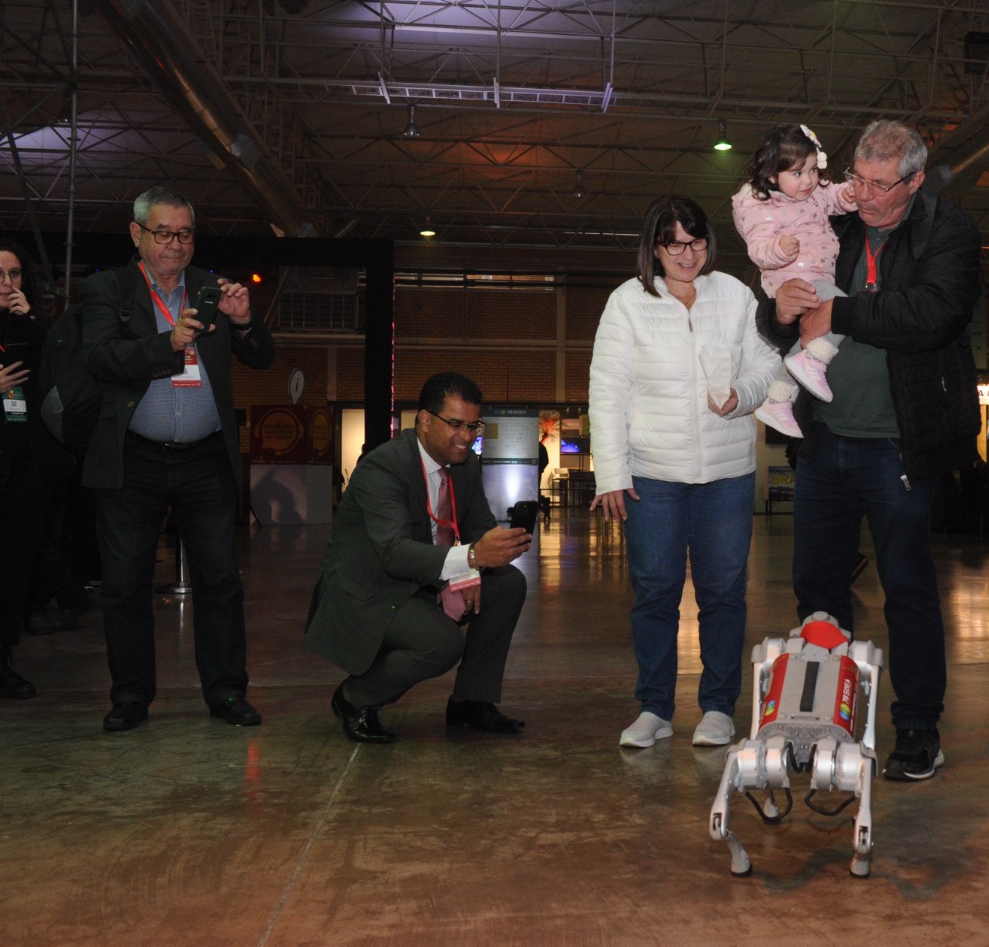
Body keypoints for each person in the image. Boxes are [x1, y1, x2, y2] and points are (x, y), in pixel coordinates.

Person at [755, 119, 982, 781]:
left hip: (900, 445)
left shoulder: (948, 230)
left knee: (907, 588)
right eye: (857, 179)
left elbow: (933, 313)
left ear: (915, 180)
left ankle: (917, 727)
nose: (867, 196)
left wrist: (841, 312)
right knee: (817, 589)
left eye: (883, 186)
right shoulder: (839, 219)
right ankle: (822, 715)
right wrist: (783, 306)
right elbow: (779, 313)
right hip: (825, 441)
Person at [589, 194, 781, 749]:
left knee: (723, 592)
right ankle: (654, 707)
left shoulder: (736, 295)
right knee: (654, 593)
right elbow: (608, 390)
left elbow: (767, 362)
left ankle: (719, 707)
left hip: (727, 472)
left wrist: (743, 395)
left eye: (697, 243)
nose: (688, 255)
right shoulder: (627, 303)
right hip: (652, 476)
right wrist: (612, 475)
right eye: (675, 244)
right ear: (655, 247)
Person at [82, 187, 276, 732]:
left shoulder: (212, 288)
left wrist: (241, 321)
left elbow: (263, 357)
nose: (175, 244)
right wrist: (167, 343)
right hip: (133, 459)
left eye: (185, 233)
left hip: (206, 459)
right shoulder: (108, 288)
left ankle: (226, 693)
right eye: (163, 232)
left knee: (221, 580)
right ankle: (130, 696)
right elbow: (100, 357)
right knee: (124, 583)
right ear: (137, 234)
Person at [306, 372, 533, 743]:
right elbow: (394, 553)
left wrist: (480, 561)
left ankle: (470, 701)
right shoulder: (384, 467)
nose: (466, 436)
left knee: (508, 584)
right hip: (372, 589)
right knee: (441, 643)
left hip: (422, 578)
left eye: (473, 425)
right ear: (424, 420)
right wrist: (473, 558)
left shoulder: (466, 465)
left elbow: (477, 526)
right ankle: (354, 698)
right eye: (456, 424)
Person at [731, 123, 855, 437]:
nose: (808, 181)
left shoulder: (816, 193)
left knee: (829, 321)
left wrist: (850, 194)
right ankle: (815, 358)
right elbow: (758, 250)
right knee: (844, 311)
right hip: (794, 278)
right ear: (772, 176)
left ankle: (777, 399)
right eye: (797, 174)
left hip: (818, 273)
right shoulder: (762, 207)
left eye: (813, 170)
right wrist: (778, 249)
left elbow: (836, 198)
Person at [0, 241, 44, 698]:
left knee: (13, 567)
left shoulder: (24, 325)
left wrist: (31, 319)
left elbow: (49, 371)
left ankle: (3, 658)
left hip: (20, 461)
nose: (8, 283)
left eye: (15, 274)